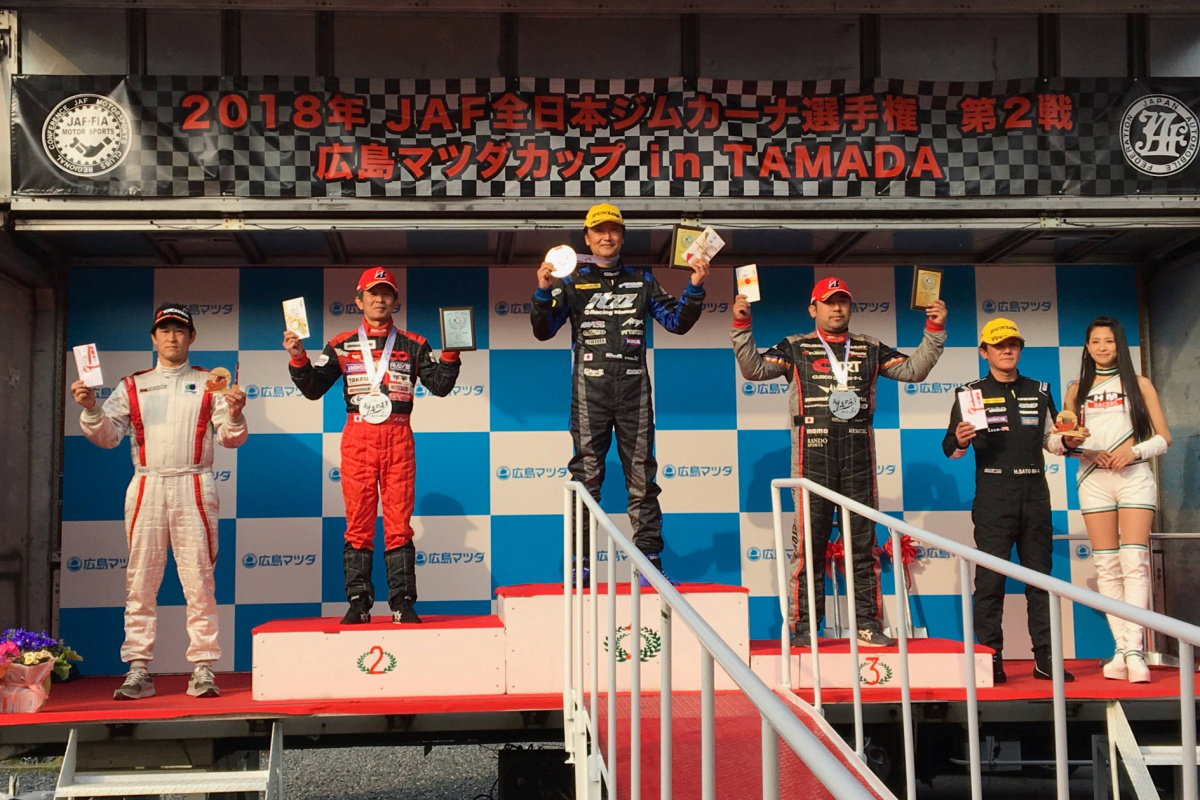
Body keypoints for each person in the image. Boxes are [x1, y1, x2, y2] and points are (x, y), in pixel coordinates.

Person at [732, 276, 947, 648]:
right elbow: (754, 369)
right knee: (809, 548)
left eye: (843, 301)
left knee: (863, 543)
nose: (837, 308)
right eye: (829, 302)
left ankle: (868, 624)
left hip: (858, 450)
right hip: (811, 453)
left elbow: (913, 371)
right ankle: (804, 630)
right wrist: (741, 325)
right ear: (813, 309)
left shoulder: (869, 347)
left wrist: (934, 329)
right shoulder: (795, 347)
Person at [72, 303, 248, 700]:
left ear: (191, 337)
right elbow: (107, 437)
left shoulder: (211, 383)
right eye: (165, 330)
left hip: (194, 483)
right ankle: (138, 669)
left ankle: (203, 668)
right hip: (147, 484)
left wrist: (235, 414)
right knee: (140, 580)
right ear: (154, 338)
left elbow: (230, 438)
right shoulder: (132, 385)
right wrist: (90, 409)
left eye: (179, 330)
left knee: (199, 579)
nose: (172, 337)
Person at [531, 203, 710, 585]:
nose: (606, 237)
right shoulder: (570, 280)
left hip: (634, 390)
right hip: (590, 390)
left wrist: (694, 288)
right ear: (587, 237)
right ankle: (580, 562)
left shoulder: (642, 280)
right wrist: (543, 293)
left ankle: (649, 562)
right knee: (586, 477)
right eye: (599, 230)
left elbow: (676, 322)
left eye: (613, 230)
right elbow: (543, 330)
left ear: (623, 236)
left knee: (642, 477)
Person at [286, 268, 460, 626]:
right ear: (359, 300)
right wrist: (299, 357)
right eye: (373, 293)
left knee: (399, 526)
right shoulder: (340, 344)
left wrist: (451, 354)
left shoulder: (414, 343)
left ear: (395, 301)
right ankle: (358, 602)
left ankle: (403, 603)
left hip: (398, 437)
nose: (380, 299)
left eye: (386, 293)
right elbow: (314, 388)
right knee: (358, 525)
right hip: (358, 439)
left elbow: (440, 386)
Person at [943, 318, 1074, 684]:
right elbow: (950, 448)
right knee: (989, 582)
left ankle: (1046, 659)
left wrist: (1068, 441)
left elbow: (1051, 440)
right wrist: (961, 440)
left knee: (1041, 580)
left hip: (1034, 492)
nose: (1006, 350)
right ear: (984, 352)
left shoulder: (1040, 389)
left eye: (1012, 344)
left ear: (1020, 349)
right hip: (993, 492)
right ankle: (990, 660)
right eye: (998, 345)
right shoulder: (970, 393)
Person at [1062, 316, 1171, 683]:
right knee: (1107, 565)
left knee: (1134, 561)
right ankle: (1121, 649)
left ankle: (1135, 649)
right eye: (1095, 342)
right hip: (1093, 479)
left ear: (1119, 344)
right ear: (1087, 346)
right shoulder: (1076, 389)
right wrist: (1085, 450)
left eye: (1108, 341)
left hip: (1134, 477)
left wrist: (1133, 452)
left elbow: (1164, 438)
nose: (1102, 348)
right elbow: (1066, 442)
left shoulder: (1139, 384)